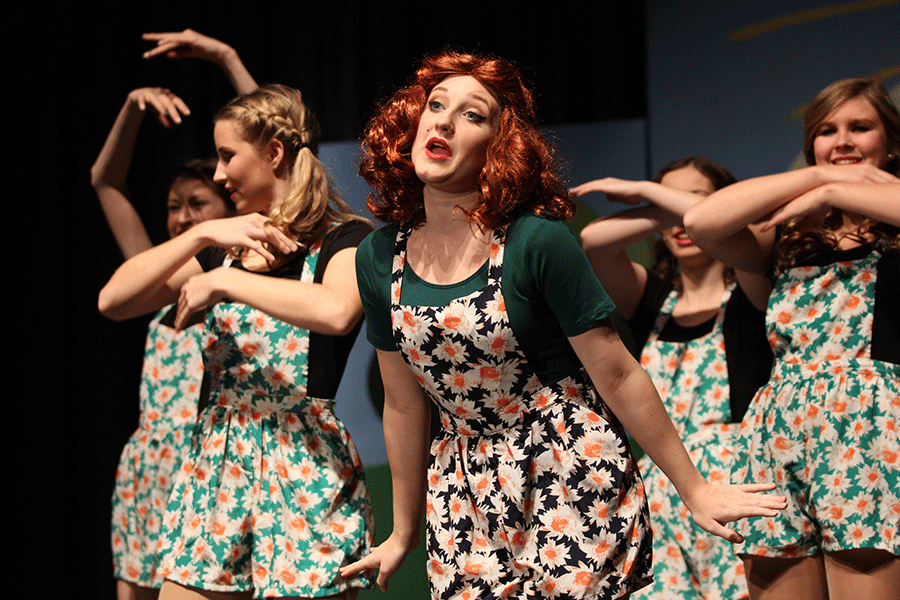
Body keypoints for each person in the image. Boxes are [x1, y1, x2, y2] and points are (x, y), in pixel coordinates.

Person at [339, 50, 785, 600]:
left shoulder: (536, 241)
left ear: (499, 149)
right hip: (463, 490)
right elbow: (404, 402)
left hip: (566, 466)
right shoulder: (380, 257)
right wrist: (403, 530)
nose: (443, 121)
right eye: (435, 105)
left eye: (472, 114)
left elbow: (618, 374)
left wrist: (694, 489)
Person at [99, 83, 375, 600]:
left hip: (304, 463)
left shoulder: (346, 239)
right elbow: (112, 301)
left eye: (228, 156)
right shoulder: (220, 251)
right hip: (216, 461)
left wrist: (225, 283)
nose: (220, 173)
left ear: (274, 153)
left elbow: (335, 313)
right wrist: (201, 238)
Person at [683, 78, 900, 600]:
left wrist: (835, 188)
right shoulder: (787, 234)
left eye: (860, 128)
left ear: (891, 143)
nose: (842, 140)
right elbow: (701, 220)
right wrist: (819, 181)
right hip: (778, 433)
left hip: (872, 434)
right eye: (826, 132)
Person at [94, 30, 257, 600]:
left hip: (206, 464)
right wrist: (131, 108)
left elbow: (280, 146)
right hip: (147, 466)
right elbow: (106, 182)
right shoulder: (159, 280)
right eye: (173, 208)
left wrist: (226, 59)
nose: (184, 219)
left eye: (198, 205)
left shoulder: (233, 271)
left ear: (229, 204)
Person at [573, 157, 775, 600]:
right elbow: (594, 242)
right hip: (664, 492)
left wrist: (691, 208)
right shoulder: (651, 300)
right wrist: (673, 204)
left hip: (737, 487)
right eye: (667, 203)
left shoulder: (753, 289)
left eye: (697, 202)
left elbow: (740, 237)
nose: (683, 221)